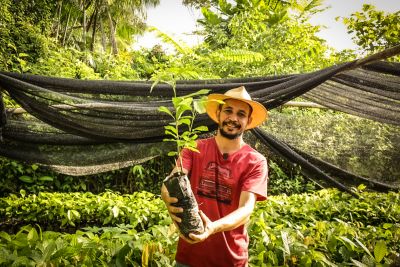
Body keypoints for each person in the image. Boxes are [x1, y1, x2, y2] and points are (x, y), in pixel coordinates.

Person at [161, 86, 269, 267]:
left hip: (230, 259)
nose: (233, 118)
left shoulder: (255, 161)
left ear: (248, 121)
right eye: (228, 110)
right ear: (218, 113)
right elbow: (172, 181)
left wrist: (213, 227)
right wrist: (167, 198)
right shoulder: (194, 148)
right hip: (189, 256)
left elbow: (246, 209)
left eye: (241, 114)